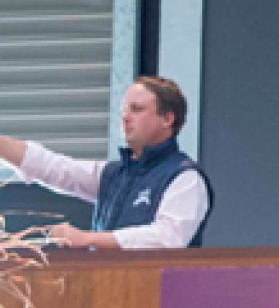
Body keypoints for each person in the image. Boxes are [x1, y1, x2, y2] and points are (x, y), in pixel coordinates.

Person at [0, 76, 212, 248]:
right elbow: (54, 168)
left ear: (168, 119)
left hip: (156, 297)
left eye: (137, 109)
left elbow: (167, 238)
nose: (126, 117)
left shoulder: (186, 178)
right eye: (124, 110)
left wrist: (89, 239)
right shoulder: (113, 174)